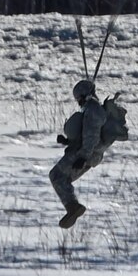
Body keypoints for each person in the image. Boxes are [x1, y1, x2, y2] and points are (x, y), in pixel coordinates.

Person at [50, 76, 122, 227]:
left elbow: (92, 136)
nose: (79, 102)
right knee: (62, 178)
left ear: (84, 95)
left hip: (86, 153)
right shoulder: (92, 109)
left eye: (79, 98)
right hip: (87, 152)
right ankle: (72, 207)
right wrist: (68, 141)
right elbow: (86, 134)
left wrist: (82, 157)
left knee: (57, 175)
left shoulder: (93, 110)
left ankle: (73, 207)